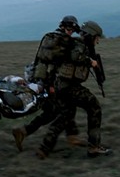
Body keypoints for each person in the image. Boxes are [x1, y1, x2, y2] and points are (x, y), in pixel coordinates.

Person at [37, 20, 111, 159]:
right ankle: (94, 147)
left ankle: (44, 148)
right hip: (68, 87)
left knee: (65, 116)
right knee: (94, 107)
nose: (98, 41)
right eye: (97, 38)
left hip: (61, 86)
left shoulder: (74, 43)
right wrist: (90, 62)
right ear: (91, 35)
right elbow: (75, 57)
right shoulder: (79, 45)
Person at [11, 16, 85, 152]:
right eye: (69, 28)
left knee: (56, 110)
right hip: (50, 82)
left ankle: (24, 131)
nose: (70, 31)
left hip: (43, 80)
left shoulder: (51, 37)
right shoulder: (60, 40)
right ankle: (68, 137)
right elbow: (50, 64)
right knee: (64, 108)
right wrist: (49, 85)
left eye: (72, 30)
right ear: (63, 26)